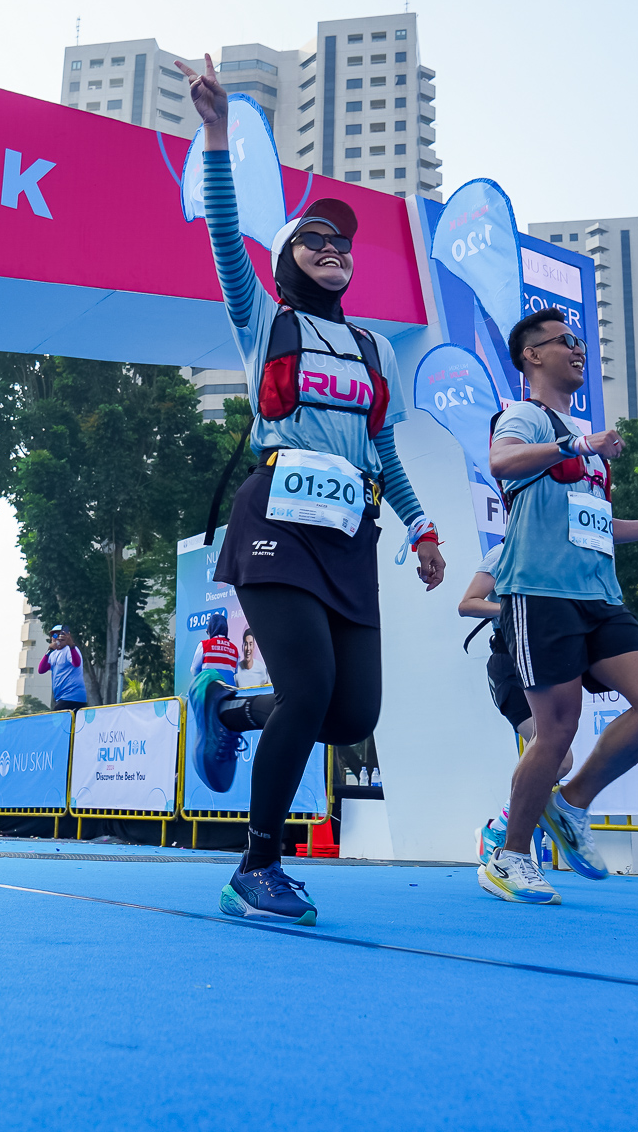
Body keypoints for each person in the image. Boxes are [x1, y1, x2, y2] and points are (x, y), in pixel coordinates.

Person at [177, 55, 446, 926]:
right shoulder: (265, 319)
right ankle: (256, 868)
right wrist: (217, 133)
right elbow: (225, 234)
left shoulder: (375, 350)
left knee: (350, 710)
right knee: (308, 687)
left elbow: (384, 450)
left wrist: (422, 528)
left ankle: (225, 708)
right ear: (287, 261)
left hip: (349, 536)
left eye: (342, 245)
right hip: (276, 523)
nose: (333, 250)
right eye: (313, 242)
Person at [477, 307, 638, 906]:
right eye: (564, 342)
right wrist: (575, 443)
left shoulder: (590, 447)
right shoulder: (525, 416)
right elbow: (501, 462)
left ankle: (572, 803)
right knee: (556, 731)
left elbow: (595, 522)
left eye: (580, 342)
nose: (578, 350)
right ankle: (510, 856)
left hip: (601, 596)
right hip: (540, 591)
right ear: (532, 356)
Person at [459, 543, 575, 864]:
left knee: (559, 760)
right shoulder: (505, 553)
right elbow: (467, 604)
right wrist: (512, 609)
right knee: (559, 758)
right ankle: (500, 830)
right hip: (509, 664)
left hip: (541, 666)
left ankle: (503, 828)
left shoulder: (557, 553)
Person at [38, 625, 87, 710]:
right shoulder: (53, 654)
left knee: (56, 717)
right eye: (54, 635)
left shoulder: (69, 650)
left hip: (72, 696)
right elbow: (41, 670)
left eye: (61, 635)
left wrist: (71, 645)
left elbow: (76, 663)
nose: (58, 638)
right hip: (61, 698)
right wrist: (48, 652)